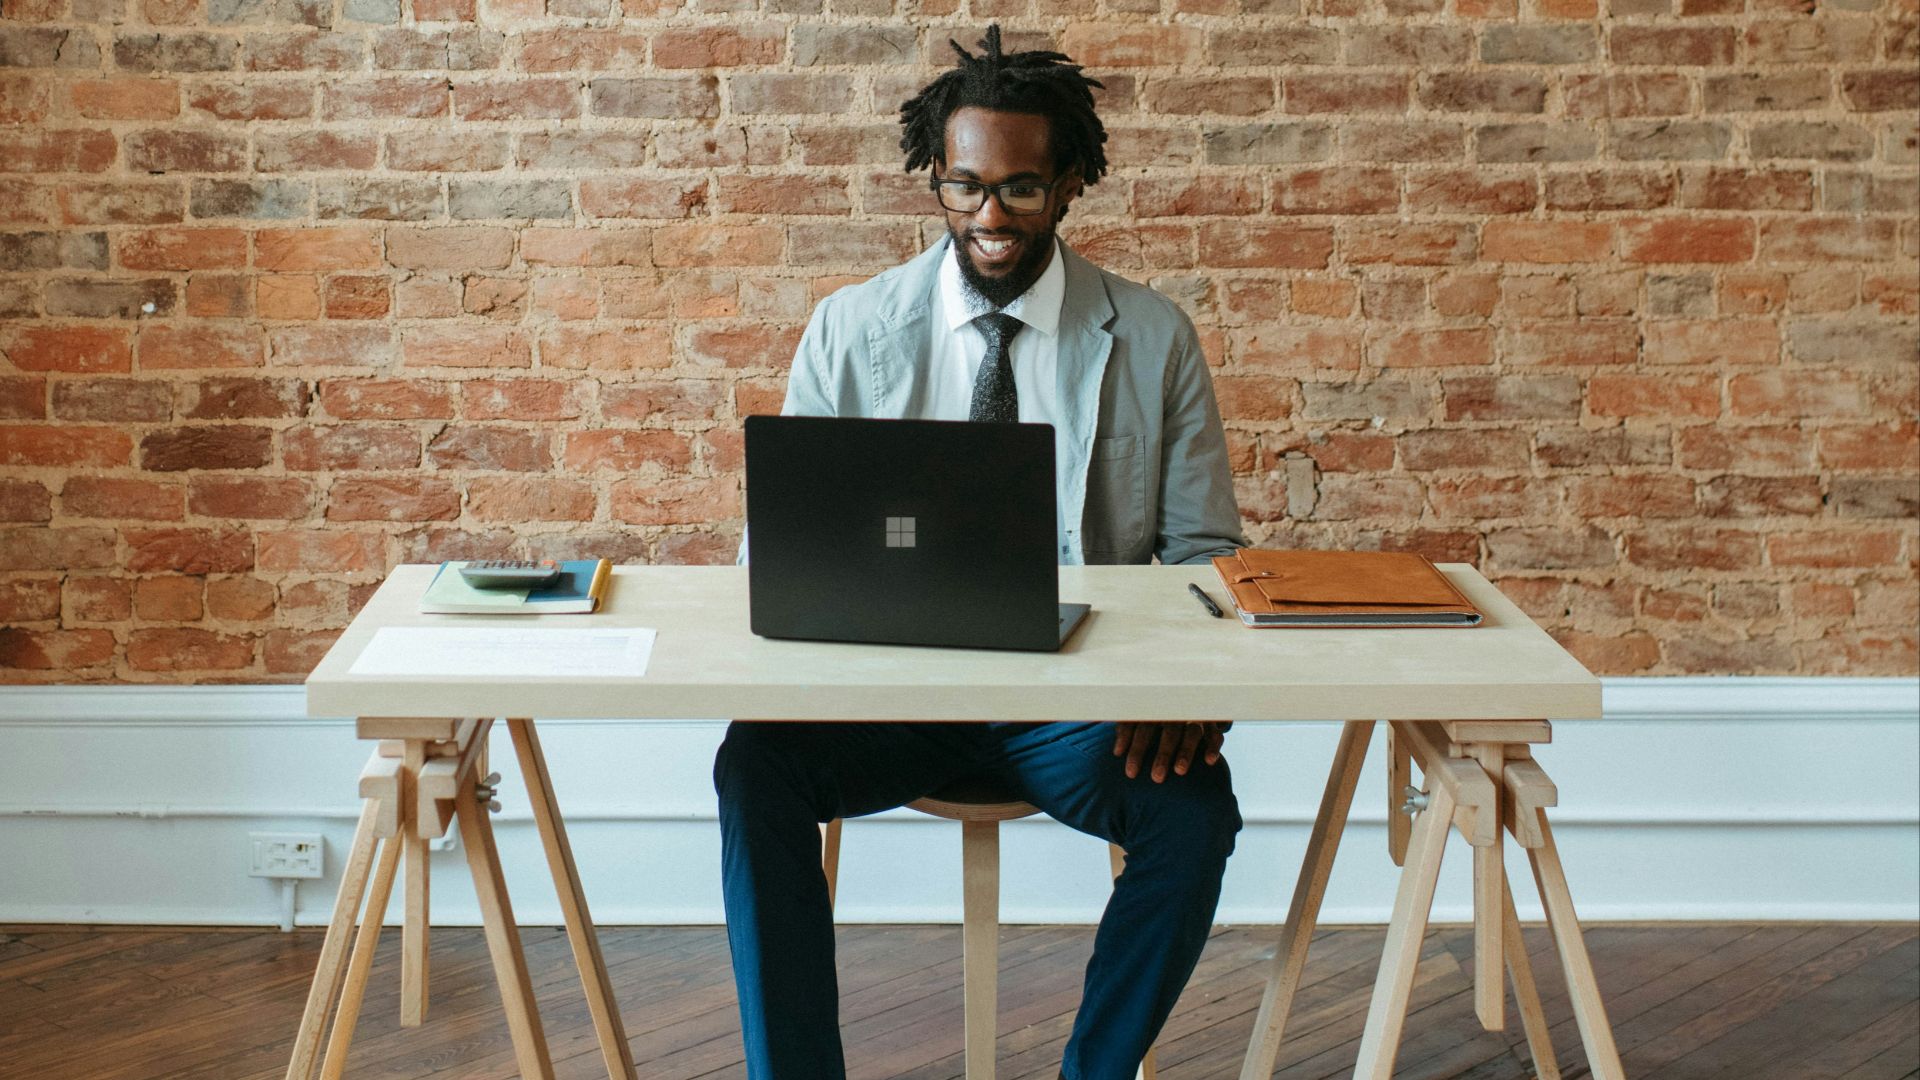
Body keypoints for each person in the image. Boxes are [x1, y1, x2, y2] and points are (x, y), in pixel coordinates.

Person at [715, 26, 1248, 1080]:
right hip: (891, 704)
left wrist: (1187, 689)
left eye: (1020, 190)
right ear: (935, 180)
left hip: (1073, 713)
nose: (991, 218)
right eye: (964, 189)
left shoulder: (1150, 337)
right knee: (752, 768)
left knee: (1195, 812)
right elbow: (779, 545)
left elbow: (1204, 552)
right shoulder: (849, 326)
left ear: (1071, 183)